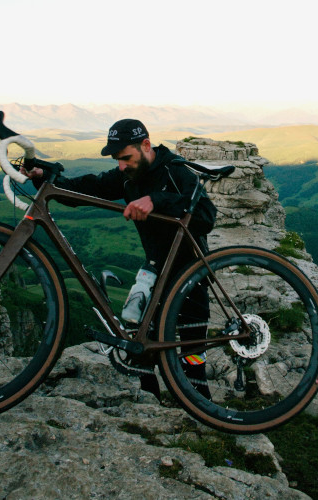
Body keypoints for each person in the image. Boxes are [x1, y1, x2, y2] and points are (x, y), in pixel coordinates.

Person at [22, 119, 216, 400]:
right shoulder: (128, 175)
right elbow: (85, 190)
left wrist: (157, 200)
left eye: (126, 157)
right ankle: (149, 404)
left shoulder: (176, 171)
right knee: (140, 341)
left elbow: (206, 217)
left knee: (192, 347)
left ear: (146, 145)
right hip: (153, 268)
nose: (121, 165)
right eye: (117, 160)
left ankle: (203, 405)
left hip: (189, 271)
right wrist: (43, 177)